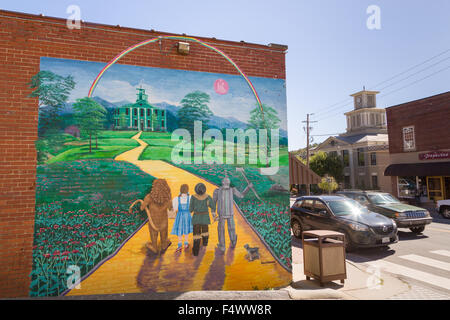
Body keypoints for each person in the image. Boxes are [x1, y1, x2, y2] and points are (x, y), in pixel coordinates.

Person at [213, 177, 252, 253]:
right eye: (226, 183)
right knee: (226, 229)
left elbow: (241, 196)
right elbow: (213, 202)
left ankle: (227, 244)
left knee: (227, 229)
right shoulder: (217, 191)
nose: (227, 184)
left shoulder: (231, 190)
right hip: (223, 214)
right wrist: (213, 212)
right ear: (223, 183)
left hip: (228, 214)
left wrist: (248, 188)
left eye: (228, 183)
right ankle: (224, 245)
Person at [189, 183, 216, 256]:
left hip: (196, 218)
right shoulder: (208, 197)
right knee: (205, 231)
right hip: (205, 217)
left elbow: (190, 209)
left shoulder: (193, 197)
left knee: (196, 235)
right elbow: (213, 206)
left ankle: (195, 251)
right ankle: (205, 244)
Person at [170, 184, 193, 252]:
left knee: (179, 229)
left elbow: (174, 209)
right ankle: (186, 243)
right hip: (187, 215)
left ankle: (179, 245)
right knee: (186, 228)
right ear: (187, 190)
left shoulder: (176, 199)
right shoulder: (190, 198)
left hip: (179, 215)